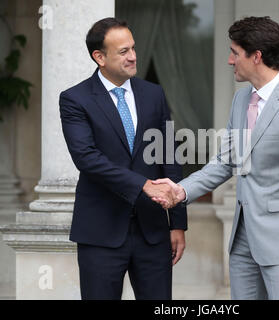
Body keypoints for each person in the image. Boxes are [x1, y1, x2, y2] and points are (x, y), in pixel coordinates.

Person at [152, 16, 279, 300]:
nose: (229, 60)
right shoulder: (241, 100)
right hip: (242, 242)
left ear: (256, 56)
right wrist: (181, 190)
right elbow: (226, 162)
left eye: (235, 53)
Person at [59, 17, 187, 300]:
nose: (133, 57)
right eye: (123, 51)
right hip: (100, 233)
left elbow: (168, 155)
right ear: (99, 57)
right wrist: (143, 184)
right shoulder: (75, 99)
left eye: (133, 48)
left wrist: (177, 222)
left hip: (153, 232)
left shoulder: (154, 94)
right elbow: (87, 158)